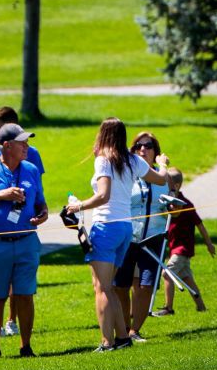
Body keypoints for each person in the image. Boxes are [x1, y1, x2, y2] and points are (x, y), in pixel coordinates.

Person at [67, 117, 168, 352]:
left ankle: (106, 342)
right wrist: (162, 163)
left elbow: (103, 195)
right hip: (124, 229)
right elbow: (161, 178)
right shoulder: (133, 160)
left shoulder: (104, 160)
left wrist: (78, 206)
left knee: (100, 288)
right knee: (109, 286)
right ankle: (122, 338)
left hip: (106, 227)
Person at [0, 122, 50, 360]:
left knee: (25, 294)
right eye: (22, 142)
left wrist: (43, 214)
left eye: (27, 142)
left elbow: (40, 202)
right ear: (6, 145)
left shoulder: (31, 169)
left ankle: (26, 347)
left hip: (26, 240)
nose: (27, 146)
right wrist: (2, 195)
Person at [117, 131, 174, 340]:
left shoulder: (164, 176)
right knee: (120, 285)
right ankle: (123, 327)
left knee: (146, 285)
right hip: (127, 236)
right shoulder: (125, 173)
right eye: (138, 146)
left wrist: (172, 208)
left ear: (155, 152)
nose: (143, 149)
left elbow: (174, 204)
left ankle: (134, 330)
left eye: (148, 146)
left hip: (154, 236)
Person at [156, 170, 212, 315]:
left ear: (175, 185)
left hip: (182, 249)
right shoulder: (169, 202)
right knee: (187, 279)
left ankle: (169, 307)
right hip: (176, 248)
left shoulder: (184, 204)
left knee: (167, 273)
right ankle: (201, 307)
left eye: (166, 183)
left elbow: (200, 225)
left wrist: (209, 244)